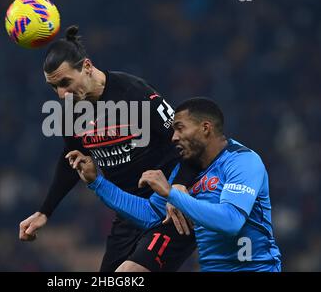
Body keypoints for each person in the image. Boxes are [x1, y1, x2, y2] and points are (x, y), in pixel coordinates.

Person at [19, 25, 199, 272]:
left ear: (87, 67)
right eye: (54, 87)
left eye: (65, 82)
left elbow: (187, 143)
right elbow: (72, 159)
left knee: (129, 274)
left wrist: (179, 189)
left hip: (168, 204)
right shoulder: (72, 112)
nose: (61, 94)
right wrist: (44, 212)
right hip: (126, 209)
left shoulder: (133, 92)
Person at [67, 97, 282, 271]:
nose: (173, 137)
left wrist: (172, 193)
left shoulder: (242, 161)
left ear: (205, 128)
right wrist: (97, 182)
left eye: (180, 128)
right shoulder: (185, 171)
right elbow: (152, 215)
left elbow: (231, 221)